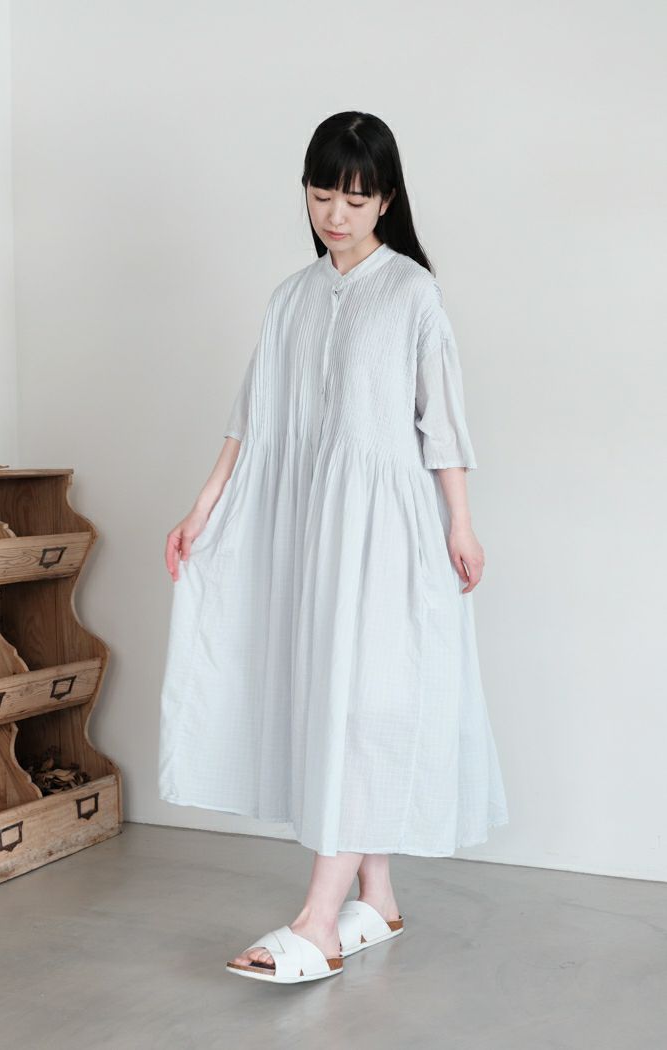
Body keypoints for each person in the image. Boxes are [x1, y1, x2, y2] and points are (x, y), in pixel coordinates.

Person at [158, 111, 509, 985]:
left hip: (388, 533)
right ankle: (376, 898)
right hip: (315, 531)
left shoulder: (412, 294)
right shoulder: (292, 297)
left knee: (367, 705)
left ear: (386, 199)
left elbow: (441, 422)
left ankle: (319, 920)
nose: (337, 215)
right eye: (322, 196)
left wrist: (460, 522)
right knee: (339, 698)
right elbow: (251, 416)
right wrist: (203, 507)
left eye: (356, 199)